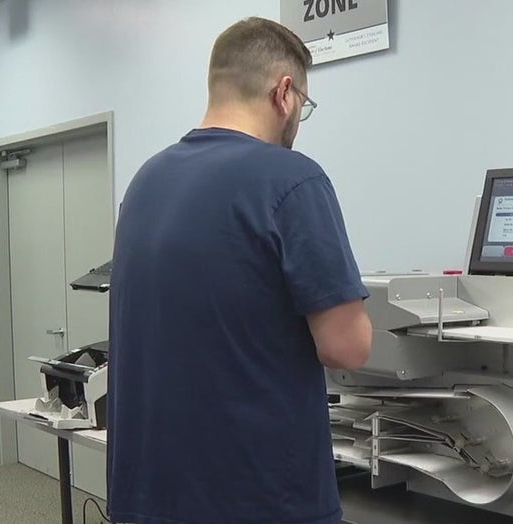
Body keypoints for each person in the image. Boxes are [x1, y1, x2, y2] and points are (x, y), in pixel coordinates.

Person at [106, 17, 373, 524]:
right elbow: (348, 347)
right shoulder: (292, 178)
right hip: (258, 497)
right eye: (304, 106)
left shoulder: (146, 181)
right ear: (285, 93)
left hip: (150, 494)